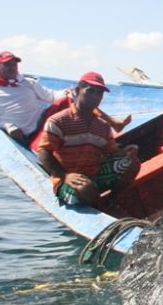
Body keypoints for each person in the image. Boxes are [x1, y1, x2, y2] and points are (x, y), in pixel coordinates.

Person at [0, 51, 130, 148]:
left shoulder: (28, 83)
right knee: (44, 149)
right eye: (7, 64)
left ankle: (111, 125)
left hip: (44, 120)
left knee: (73, 98)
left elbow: (51, 97)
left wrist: (65, 93)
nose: (12, 67)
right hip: (26, 134)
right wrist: (8, 126)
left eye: (14, 64)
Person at [36, 72, 139, 207]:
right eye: (90, 91)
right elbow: (43, 152)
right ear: (78, 91)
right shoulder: (58, 121)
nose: (95, 96)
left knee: (133, 163)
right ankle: (101, 207)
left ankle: (112, 201)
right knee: (85, 188)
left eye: (99, 93)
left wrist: (126, 151)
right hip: (68, 180)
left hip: (95, 175)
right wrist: (64, 176)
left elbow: (111, 152)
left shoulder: (102, 125)